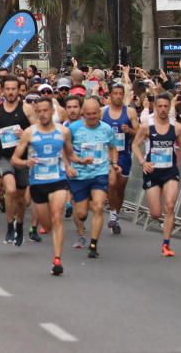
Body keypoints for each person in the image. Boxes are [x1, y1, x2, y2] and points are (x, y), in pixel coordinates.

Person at [12, 97, 78, 276]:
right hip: (38, 182)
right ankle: (46, 231)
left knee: (57, 217)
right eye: (38, 111)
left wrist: (77, 163)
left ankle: (57, 259)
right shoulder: (29, 133)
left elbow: (70, 154)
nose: (42, 114)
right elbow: (15, 159)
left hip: (58, 180)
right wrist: (26, 162)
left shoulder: (63, 132)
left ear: (52, 111)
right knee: (47, 224)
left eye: (45, 110)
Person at [132, 92, 181, 257]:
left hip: (170, 171)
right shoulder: (146, 126)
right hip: (152, 172)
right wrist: (142, 162)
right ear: (155, 107)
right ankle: (155, 204)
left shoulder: (176, 127)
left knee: (170, 205)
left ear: (169, 107)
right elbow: (135, 145)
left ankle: (166, 244)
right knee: (156, 213)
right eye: (159, 106)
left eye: (166, 106)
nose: (163, 109)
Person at [66, 97, 118, 258]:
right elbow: (65, 150)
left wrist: (113, 163)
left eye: (94, 114)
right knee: (82, 213)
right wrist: (68, 166)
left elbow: (113, 147)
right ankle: (81, 231)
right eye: (88, 114)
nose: (92, 117)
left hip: (99, 173)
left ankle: (93, 245)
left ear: (99, 113)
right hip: (79, 174)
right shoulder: (73, 129)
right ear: (83, 114)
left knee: (98, 206)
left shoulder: (107, 129)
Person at [0, 75, 35, 245]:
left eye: (13, 89)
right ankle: (10, 225)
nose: (10, 92)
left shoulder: (26, 109)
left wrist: (25, 132)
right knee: (10, 190)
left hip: (23, 158)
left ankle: (20, 225)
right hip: (4, 157)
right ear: (3, 91)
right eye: (7, 89)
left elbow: (36, 129)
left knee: (21, 198)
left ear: (18, 90)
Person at [103, 81, 139, 235]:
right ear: (110, 95)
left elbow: (139, 134)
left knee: (120, 187)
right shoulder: (102, 112)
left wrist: (129, 130)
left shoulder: (130, 112)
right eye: (115, 93)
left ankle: (116, 215)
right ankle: (112, 213)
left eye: (120, 94)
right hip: (107, 155)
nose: (118, 96)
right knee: (111, 184)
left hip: (124, 154)